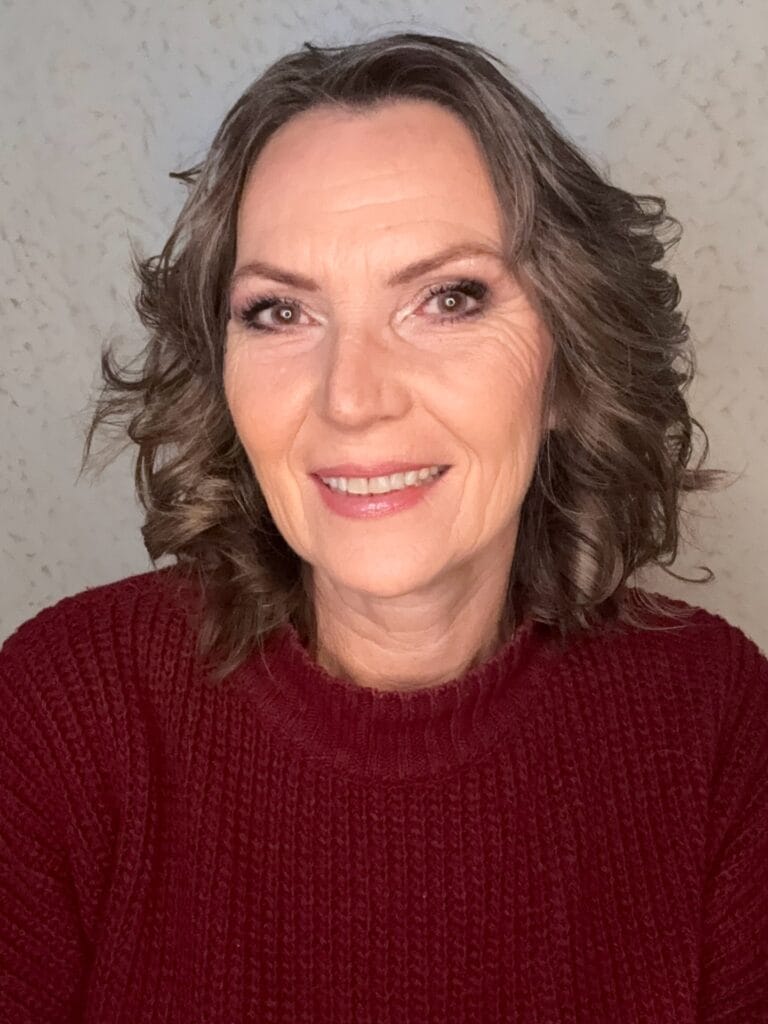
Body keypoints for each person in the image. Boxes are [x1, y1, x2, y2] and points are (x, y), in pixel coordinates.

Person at [1, 30, 766, 1024]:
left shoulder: (717, 723)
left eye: (447, 298)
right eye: (279, 312)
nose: (352, 399)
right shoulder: (62, 715)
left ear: (570, 362)